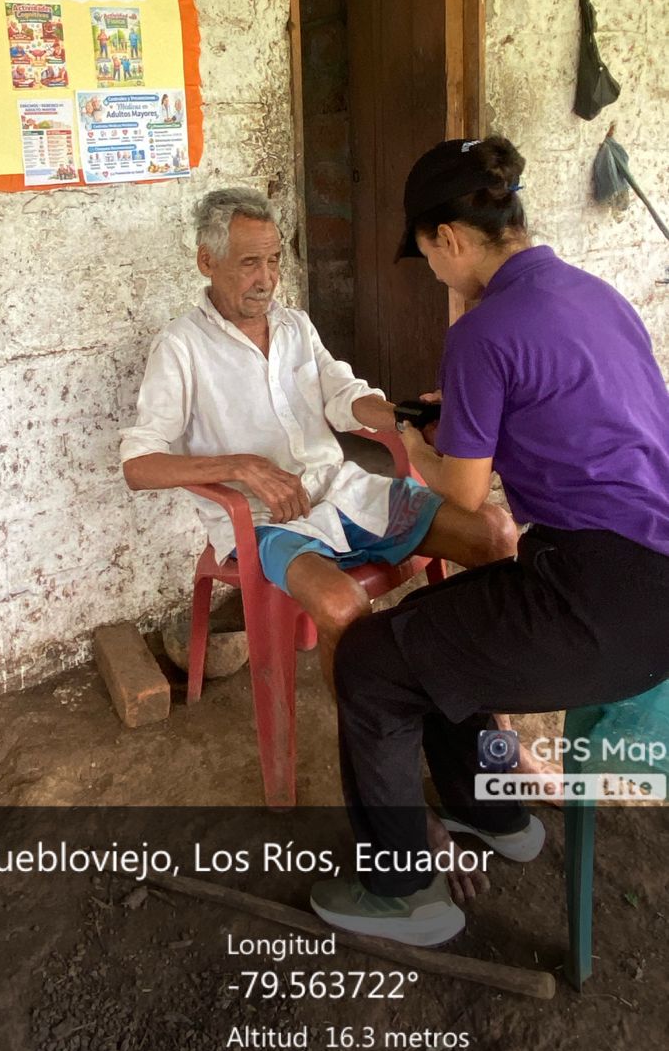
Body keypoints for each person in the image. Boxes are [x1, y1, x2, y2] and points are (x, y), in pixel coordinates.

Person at [310, 136, 669, 946]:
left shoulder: (484, 330)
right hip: (648, 573)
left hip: (605, 601)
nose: (436, 275)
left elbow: (465, 495)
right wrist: (470, 419)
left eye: (429, 257)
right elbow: (579, 423)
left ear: (449, 238)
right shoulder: (597, 295)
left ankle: (402, 893)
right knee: (439, 634)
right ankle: (496, 814)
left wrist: (413, 446)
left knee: (371, 661)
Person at [120, 187, 516, 691]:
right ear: (206, 261)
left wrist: (407, 417)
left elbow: (342, 396)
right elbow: (139, 465)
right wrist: (240, 466)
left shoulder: (295, 326)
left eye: (273, 261)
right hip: (266, 523)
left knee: (495, 534)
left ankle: (476, 696)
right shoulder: (181, 348)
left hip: (343, 491)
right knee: (342, 604)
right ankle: (367, 726)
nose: (267, 279)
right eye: (249, 263)